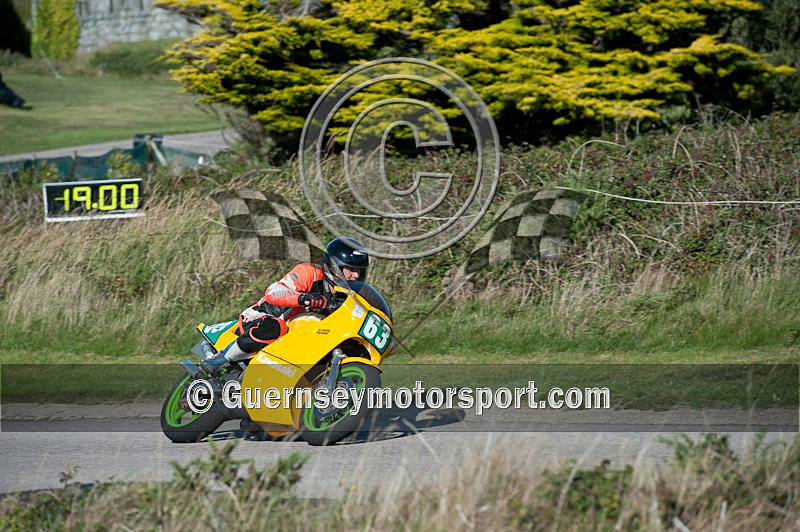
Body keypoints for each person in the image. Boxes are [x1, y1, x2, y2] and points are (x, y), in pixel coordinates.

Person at [201, 237, 369, 373]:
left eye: (360, 270)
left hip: (294, 337)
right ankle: (221, 359)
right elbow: (273, 292)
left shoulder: (348, 297)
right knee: (275, 327)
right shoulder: (309, 272)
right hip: (263, 316)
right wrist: (304, 298)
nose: (356, 275)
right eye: (351, 269)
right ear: (334, 266)